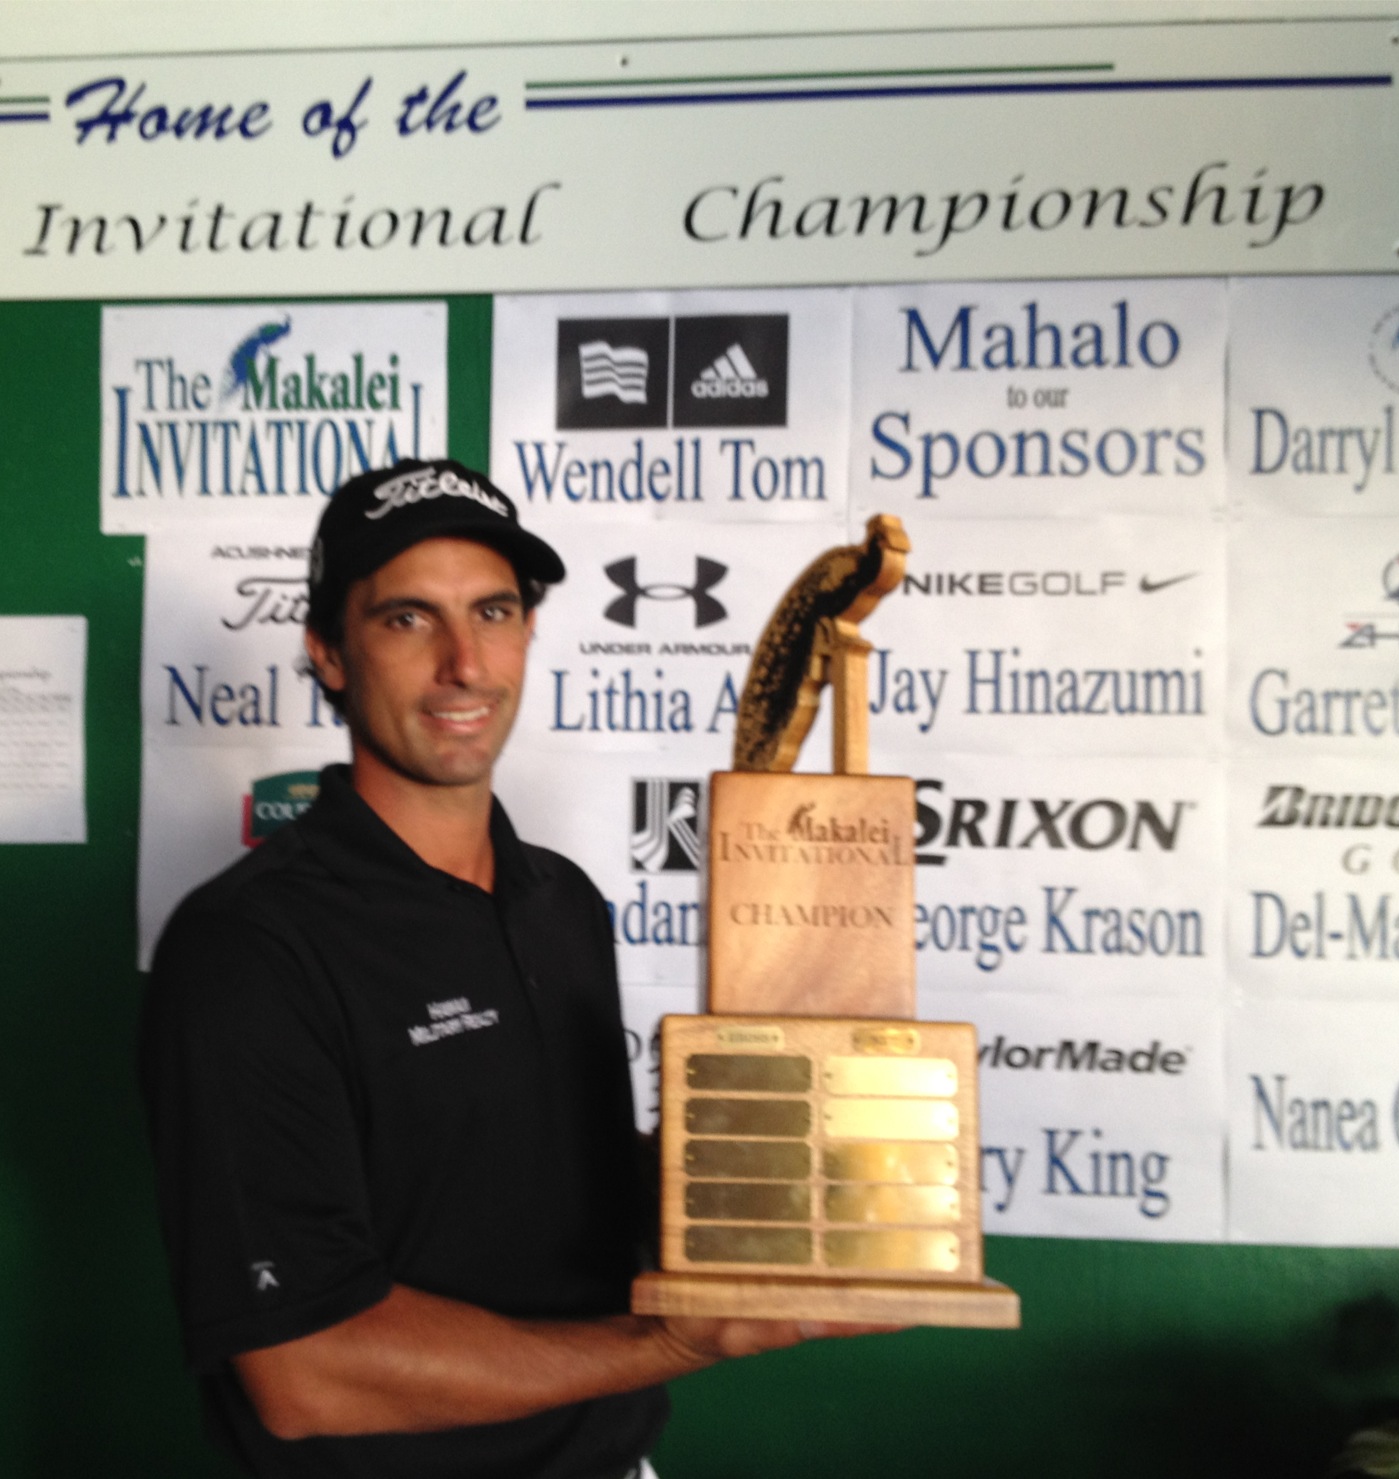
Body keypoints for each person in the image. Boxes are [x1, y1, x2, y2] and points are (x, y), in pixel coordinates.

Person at [140, 459, 887, 1479]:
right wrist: (670, 1344)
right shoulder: (249, 949)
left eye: (492, 611)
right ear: (329, 654)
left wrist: (761, 1176)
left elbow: (550, 1184)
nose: (464, 663)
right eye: (408, 618)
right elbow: (304, 1372)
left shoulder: (561, 901)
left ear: (529, 632)